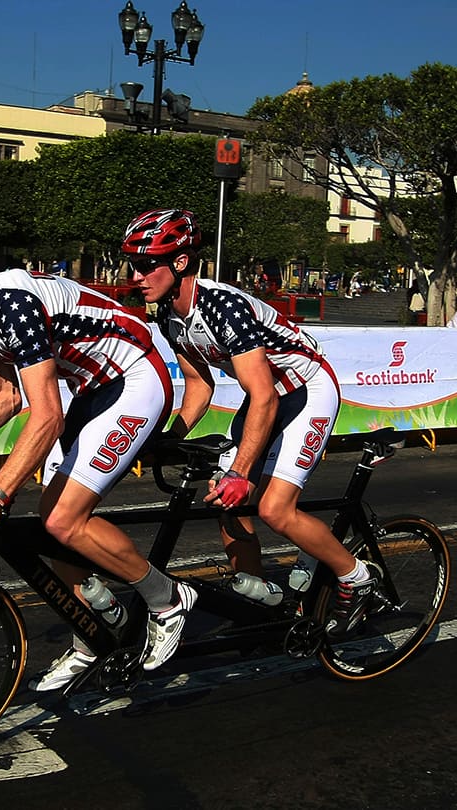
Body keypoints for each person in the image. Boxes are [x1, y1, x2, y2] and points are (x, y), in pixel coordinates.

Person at [0, 210, 191, 690]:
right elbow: (2, 397)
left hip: (136, 376)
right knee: (52, 521)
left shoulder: (10, 304)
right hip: (91, 385)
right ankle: (93, 631)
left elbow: (45, 415)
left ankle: (167, 598)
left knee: (65, 518)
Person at [124, 208, 378, 640]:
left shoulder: (223, 306)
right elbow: (198, 386)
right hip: (269, 396)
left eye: (146, 265)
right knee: (226, 499)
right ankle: (259, 599)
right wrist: (169, 437)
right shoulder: (167, 314)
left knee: (273, 507)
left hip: (306, 391)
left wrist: (241, 471)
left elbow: (264, 395)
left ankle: (356, 576)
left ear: (180, 262)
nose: (136, 276)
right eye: (133, 264)